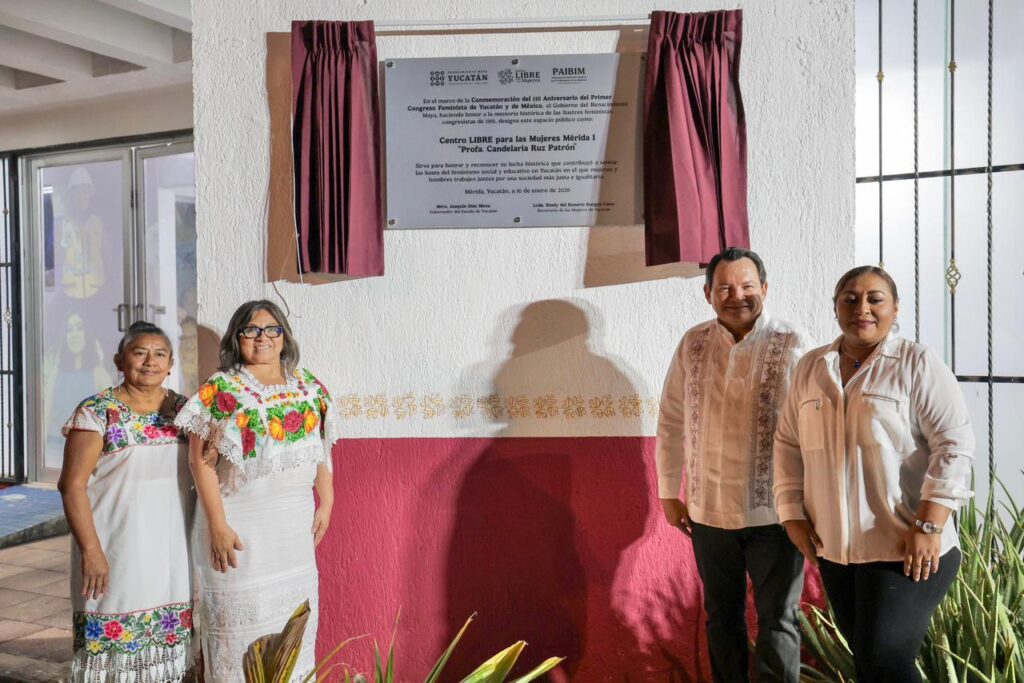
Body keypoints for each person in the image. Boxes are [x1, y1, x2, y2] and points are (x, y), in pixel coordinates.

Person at [774, 265, 974, 682]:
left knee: (886, 661)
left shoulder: (917, 363)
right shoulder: (811, 367)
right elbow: (788, 443)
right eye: (849, 299)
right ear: (835, 307)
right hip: (837, 551)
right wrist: (791, 513)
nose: (861, 308)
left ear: (895, 308)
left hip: (907, 547)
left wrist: (929, 525)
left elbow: (954, 445)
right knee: (868, 665)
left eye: (875, 299)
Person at [656, 247, 810, 683]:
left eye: (746, 286)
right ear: (708, 294)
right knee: (722, 617)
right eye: (724, 288)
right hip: (708, 512)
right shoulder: (693, 342)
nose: (736, 296)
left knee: (779, 618)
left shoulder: (794, 342)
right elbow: (671, 417)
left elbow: (814, 423)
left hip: (776, 513)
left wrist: (807, 502)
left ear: (765, 289)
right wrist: (668, 491)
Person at [175, 299, 341, 682]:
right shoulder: (220, 388)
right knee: (238, 635)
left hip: (292, 528)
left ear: (284, 336)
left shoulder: (308, 385)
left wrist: (327, 498)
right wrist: (218, 525)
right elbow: (200, 461)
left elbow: (321, 444)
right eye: (251, 330)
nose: (262, 337)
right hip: (239, 524)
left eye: (271, 329)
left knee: (291, 630)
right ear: (237, 338)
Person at [57, 320, 196, 681]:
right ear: (120, 361)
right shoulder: (97, 412)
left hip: (171, 553)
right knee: (112, 653)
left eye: (160, 354)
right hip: (115, 550)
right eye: (140, 353)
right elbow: (71, 486)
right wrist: (91, 551)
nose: (150, 361)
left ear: (171, 365)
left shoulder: (185, 412)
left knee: (167, 654)